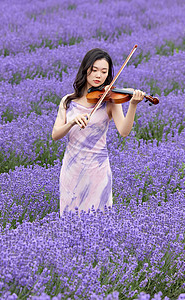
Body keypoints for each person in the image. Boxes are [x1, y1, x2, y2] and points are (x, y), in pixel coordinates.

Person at [51, 48, 145, 216]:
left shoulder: (109, 102)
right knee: (70, 221)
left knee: (99, 222)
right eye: (94, 70)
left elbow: (124, 131)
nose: (98, 75)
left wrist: (133, 105)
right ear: (85, 69)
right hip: (72, 170)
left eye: (104, 71)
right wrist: (72, 122)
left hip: (98, 171)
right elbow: (55, 134)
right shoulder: (68, 101)